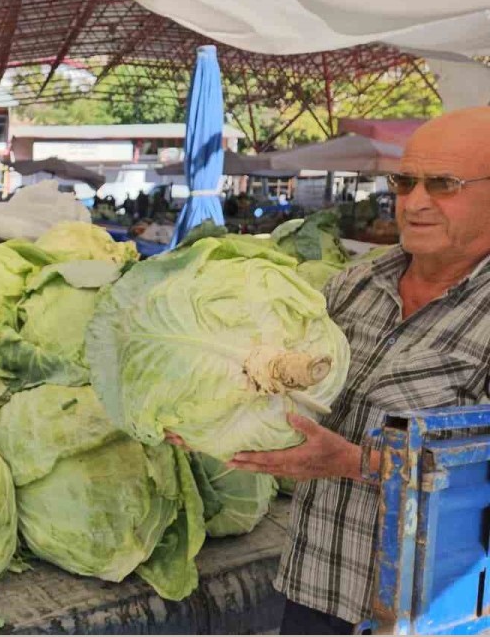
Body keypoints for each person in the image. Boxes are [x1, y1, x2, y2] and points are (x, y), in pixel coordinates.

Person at [172, 108, 490, 634]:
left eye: (444, 184)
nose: (414, 202)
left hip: (428, 615)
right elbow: (283, 391)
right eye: (404, 182)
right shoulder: (353, 285)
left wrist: (355, 463)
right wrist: (207, 412)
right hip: (313, 585)